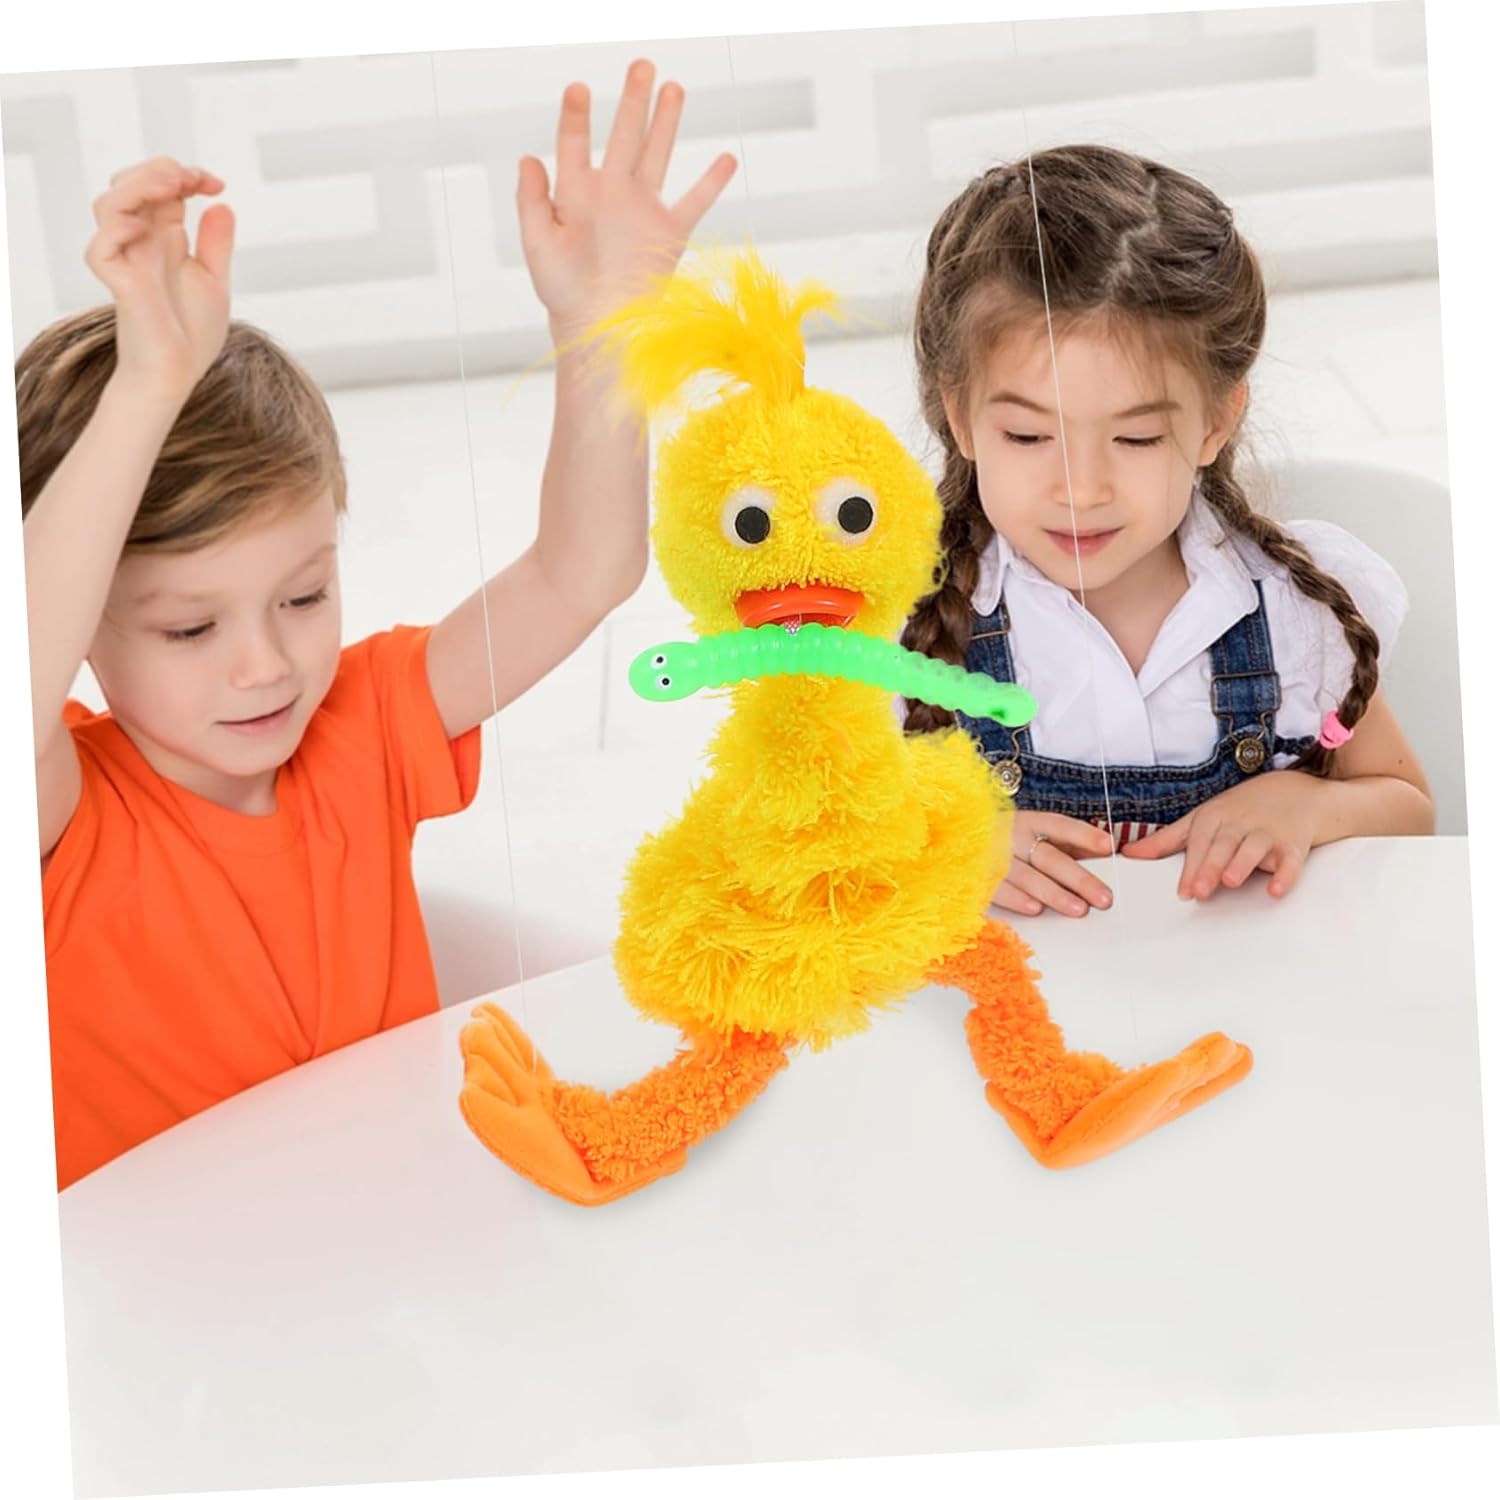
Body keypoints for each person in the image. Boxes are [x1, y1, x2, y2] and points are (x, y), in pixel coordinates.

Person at [18, 60, 735, 1189]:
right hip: (162, 1290)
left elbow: (581, 574)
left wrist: (605, 329)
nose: (265, 666)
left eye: (304, 597)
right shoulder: (61, 816)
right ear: (84, 630)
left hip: (400, 1248)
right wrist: (149, 383)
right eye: (190, 631)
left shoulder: (364, 727)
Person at [899, 145, 1433, 920]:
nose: (1081, 489)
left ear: (1216, 421)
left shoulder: (1293, 614)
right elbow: (802, 837)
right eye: (1028, 436)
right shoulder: (898, 619)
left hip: (1248, 988)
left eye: (1137, 438)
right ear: (960, 416)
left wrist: (1309, 804)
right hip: (1016, 993)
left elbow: (1409, 807)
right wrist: (942, 841)